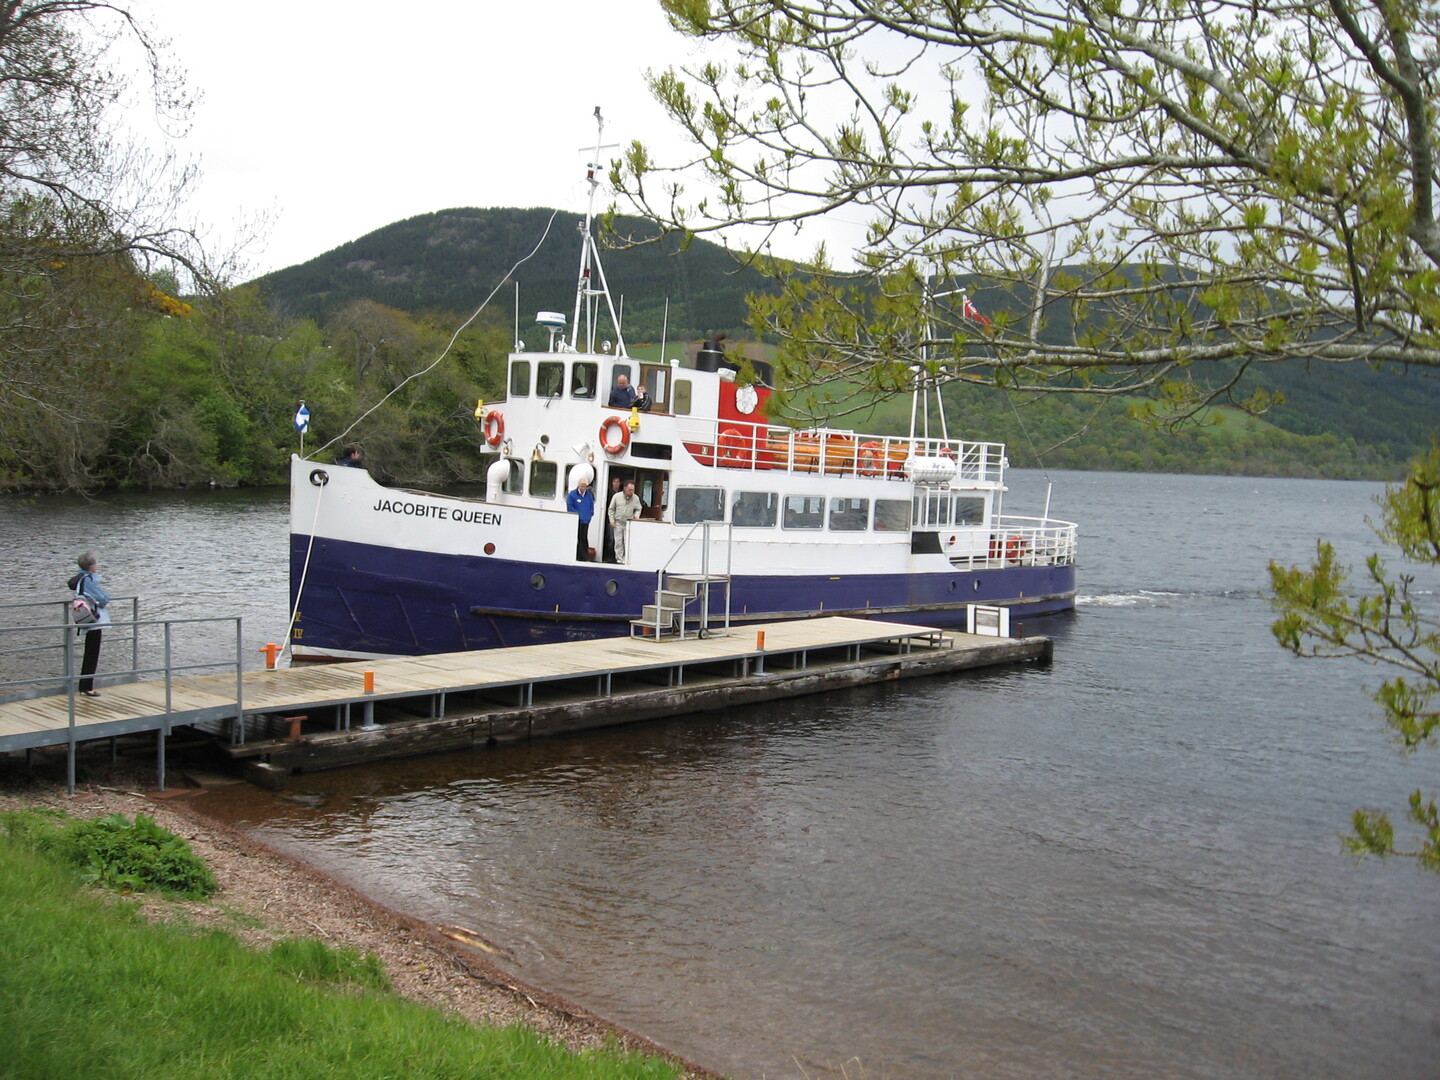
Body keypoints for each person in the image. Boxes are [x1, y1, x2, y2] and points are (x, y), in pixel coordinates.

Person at [66, 552, 111, 697]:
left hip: (88, 619)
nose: (96, 566)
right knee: (92, 653)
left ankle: (85, 685)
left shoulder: (82, 579)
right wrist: (105, 597)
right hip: (93, 620)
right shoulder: (87, 580)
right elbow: (102, 599)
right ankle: (87, 686)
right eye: (95, 564)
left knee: (90, 652)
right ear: (91, 566)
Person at [607, 480, 643, 564]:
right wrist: (612, 521)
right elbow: (611, 509)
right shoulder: (616, 496)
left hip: (629, 523)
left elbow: (638, 508)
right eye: (630, 490)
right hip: (618, 522)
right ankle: (619, 559)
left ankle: (627, 559)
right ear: (625, 488)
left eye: (633, 490)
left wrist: (636, 515)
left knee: (627, 541)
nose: (631, 492)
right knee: (618, 542)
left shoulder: (635, 498)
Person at [565, 477, 595, 561]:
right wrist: (578, 515)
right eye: (581, 486)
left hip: (585, 521)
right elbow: (570, 507)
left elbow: (591, 507)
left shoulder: (589, 495)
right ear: (578, 485)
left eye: (584, 486)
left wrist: (589, 516)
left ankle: (584, 557)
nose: (583, 488)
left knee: (584, 538)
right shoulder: (572, 494)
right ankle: (576, 556)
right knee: (577, 538)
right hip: (576, 521)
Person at [602, 476, 621, 562]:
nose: (616, 483)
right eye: (614, 481)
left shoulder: (621, 494)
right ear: (612, 483)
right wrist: (609, 520)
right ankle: (608, 556)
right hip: (610, 520)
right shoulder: (608, 493)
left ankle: (615, 557)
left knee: (618, 540)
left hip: (619, 520)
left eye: (617, 481)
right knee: (610, 538)